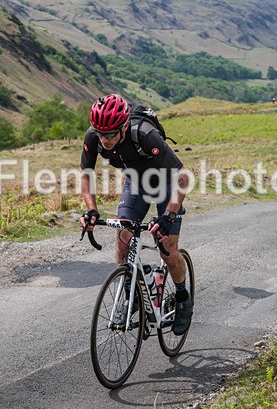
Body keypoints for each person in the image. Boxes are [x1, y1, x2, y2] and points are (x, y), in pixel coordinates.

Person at [80, 94, 193, 336]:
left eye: (110, 134)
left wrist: (168, 216)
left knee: (168, 250)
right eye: (100, 133)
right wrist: (91, 209)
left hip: (167, 184)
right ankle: (129, 294)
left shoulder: (143, 134)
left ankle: (183, 298)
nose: (104, 139)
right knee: (123, 240)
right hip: (137, 184)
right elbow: (86, 174)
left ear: (123, 126)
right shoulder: (94, 136)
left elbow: (184, 177)